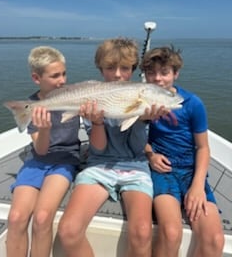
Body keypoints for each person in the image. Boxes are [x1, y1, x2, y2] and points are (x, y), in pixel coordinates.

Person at [58, 38, 167, 257]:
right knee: (68, 231)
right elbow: (97, 149)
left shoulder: (142, 99)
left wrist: (142, 121)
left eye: (125, 68)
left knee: (142, 233)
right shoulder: (92, 98)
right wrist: (97, 122)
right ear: (100, 69)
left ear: (133, 70)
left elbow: (137, 149)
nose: (117, 74)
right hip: (99, 164)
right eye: (110, 68)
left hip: (135, 166)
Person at [140, 45, 224, 257]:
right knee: (170, 233)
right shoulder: (140, 101)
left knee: (214, 239)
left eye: (164, 72)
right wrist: (150, 154)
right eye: (151, 73)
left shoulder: (192, 103)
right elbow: (134, 137)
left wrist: (197, 186)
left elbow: (203, 147)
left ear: (175, 74)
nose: (158, 78)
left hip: (189, 169)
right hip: (162, 170)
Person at [6, 46, 81, 257]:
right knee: (16, 217)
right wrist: (45, 129)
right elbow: (40, 149)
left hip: (65, 159)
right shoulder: (31, 105)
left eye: (64, 73)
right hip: (37, 159)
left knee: (42, 217)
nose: (62, 81)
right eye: (55, 76)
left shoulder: (75, 95)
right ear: (36, 78)